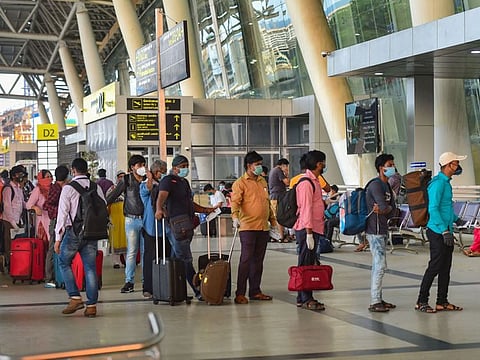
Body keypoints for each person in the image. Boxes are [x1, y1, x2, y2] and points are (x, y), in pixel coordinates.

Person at [154, 155, 214, 300]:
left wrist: (205, 210)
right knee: (185, 258)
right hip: (176, 224)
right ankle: (198, 290)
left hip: (186, 224)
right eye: (182, 166)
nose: (185, 168)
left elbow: (189, 203)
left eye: (187, 165)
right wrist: (159, 209)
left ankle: (175, 290)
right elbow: (161, 196)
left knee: (177, 259)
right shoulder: (168, 181)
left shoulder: (184, 182)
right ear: (174, 168)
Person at [415, 152, 467, 313]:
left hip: (446, 230)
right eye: (456, 163)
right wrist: (444, 230)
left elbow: (446, 208)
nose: (458, 166)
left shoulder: (446, 183)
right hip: (438, 231)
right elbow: (433, 209)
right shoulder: (438, 184)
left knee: (445, 268)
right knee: (435, 266)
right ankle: (421, 301)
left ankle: (442, 301)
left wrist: (457, 220)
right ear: (448, 164)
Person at [54, 158, 106, 317]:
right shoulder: (95, 186)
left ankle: (75, 297)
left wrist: (58, 238)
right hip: (92, 233)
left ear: (73, 170)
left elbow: (62, 215)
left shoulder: (68, 188)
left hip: (74, 232)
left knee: (63, 261)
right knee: (90, 267)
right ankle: (91, 306)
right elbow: (103, 207)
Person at [231, 151, 277, 305]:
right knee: (246, 260)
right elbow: (235, 202)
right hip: (247, 227)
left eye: (260, 164)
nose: (259, 167)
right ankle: (240, 293)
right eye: (257, 164)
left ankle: (255, 291)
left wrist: (273, 221)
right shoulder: (240, 183)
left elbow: (267, 203)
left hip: (263, 227)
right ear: (249, 166)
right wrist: (235, 217)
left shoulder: (262, 181)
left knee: (258, 261)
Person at [293, 150, 328, 310]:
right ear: (317, 164)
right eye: (322, 163)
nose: (324, 166)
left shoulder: (314, 181)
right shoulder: (307, 183)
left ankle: (302, 296)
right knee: (306, 264)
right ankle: (306, 297)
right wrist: (308, 234)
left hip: (314, 228)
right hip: (308, 229)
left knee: (307, 262)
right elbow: (306, 208)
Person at [107, 155, 146, 293]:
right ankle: (129, 281)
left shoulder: (148, 180)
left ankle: (146, 281)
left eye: (143, 164)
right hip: (131, 220)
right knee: (131, 252)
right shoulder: (126, 180)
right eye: (139, 165)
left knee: (145, 252)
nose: (142, 167)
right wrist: (103, 206)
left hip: (146, 220)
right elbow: (112, 195)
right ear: (131, 168)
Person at [365, 153, 397, 312]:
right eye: (389, 165)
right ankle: (375, 300)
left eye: (392, 165)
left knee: (378, 265)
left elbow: (392, 210)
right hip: (374, 230)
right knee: (380, 265)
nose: (392, 168)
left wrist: (386, 209)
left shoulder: (388, 186)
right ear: (381, 168)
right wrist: (386, 208)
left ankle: (378, 297)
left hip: (383, 229)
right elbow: (385, 208)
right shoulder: (376, 185)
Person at [140, 160, 171, 299]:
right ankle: (148, 287)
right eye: (160, 171)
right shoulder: (145, 186)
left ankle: (165, 285)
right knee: (150, 258)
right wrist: (150, 178)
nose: (162, 174)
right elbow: (148, 188)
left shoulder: (166, 186)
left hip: (166, 229)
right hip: (151, 228)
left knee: (166, 256)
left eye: (164, 171)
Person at [43, 165, 70, 288]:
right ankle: (50, 277)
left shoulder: (62, 188)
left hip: (61, 220)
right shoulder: (56, 189)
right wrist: (58, 208)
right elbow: (47, 204)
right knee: (53, 248)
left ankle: (60, 276)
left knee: (60, 248)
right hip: (55, 221)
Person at [26, 170, 53, 284]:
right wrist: (35, 207)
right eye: (46, 177)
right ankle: (43, 274)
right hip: (42, 223)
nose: (49, 179)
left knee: (52, 250)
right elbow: (28, 205)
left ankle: (51, 274)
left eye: (50, 176)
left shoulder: (54, 189)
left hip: (53, 221)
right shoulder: (37, 190)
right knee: (44, 249)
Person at [1, 165, 27, 270]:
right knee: (9, 245)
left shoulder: (19, 188)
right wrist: (13, 223)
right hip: (9, 222)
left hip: (18, 220)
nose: (21, 176)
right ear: (13, 176)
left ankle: (17, 265)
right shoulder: (8, 189)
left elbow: (22, 203)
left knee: (17, 245)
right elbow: (7, 208)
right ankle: (10, 266)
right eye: (19, 174)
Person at [269, 158, 290, 242]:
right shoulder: (278, 170)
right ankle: (281, 236)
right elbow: (287, 182)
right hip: (277, 196)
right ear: (282, 165)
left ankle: (279, 235)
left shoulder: (273, 170)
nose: (287, 168)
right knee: (279, 216)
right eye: (286, 166)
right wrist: (287, 174)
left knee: (277, 216)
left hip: (274, 196)